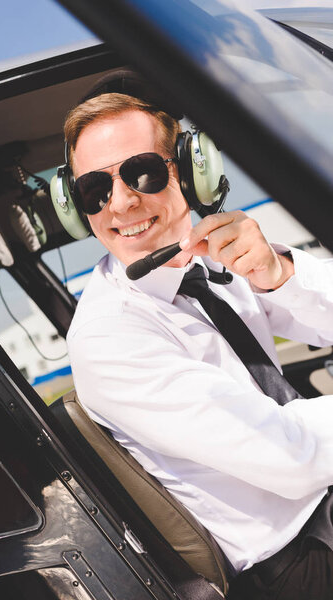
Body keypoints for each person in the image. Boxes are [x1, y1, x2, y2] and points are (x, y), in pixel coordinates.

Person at [63, 81, 333, 599]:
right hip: (295, 564)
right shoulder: (108, 337)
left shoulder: (213, 255)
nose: (120, 203)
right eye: (93, 190)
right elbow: (292, 458)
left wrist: (280, 273)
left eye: (142, 171)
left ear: (189, 169)